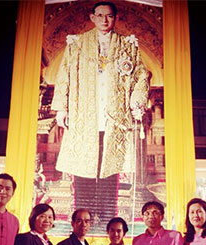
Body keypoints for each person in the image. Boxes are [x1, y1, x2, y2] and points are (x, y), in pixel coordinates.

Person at [51, 1, 149, 227]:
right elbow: (64, 74)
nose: (105, 20)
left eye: (110, 16)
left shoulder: (127, 45)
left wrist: (136, 104)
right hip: (84, 117)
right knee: (83, 169)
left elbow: (141, 77)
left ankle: (107, 221)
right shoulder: (77, 44)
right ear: (92, 17)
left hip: (114, 119)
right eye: (100, 15)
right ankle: (81, 223)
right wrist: (62, 108)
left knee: (109, 172)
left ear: (115, 18)